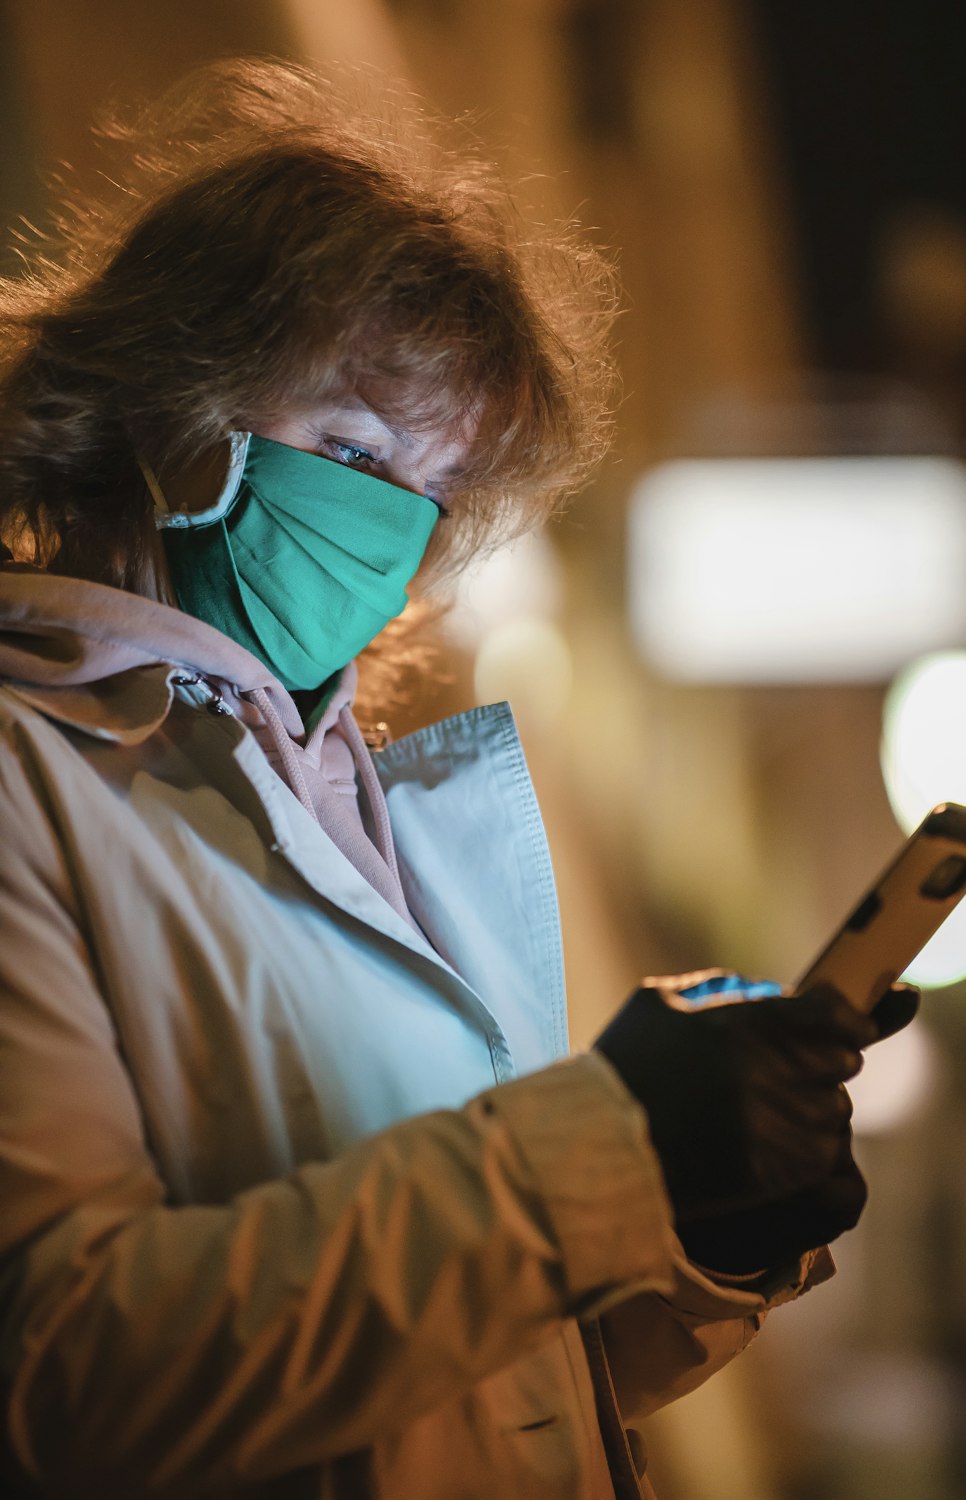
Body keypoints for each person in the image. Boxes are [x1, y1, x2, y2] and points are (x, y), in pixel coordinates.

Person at [0, 59, 916, 1500]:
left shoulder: (375, 810)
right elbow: (65, 1373)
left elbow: (481, 1369)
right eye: (352, 447)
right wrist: (602, 1143)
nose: (388, 530)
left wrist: (706, 1228)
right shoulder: (27, 788)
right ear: (168, 404)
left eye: (433, 492)